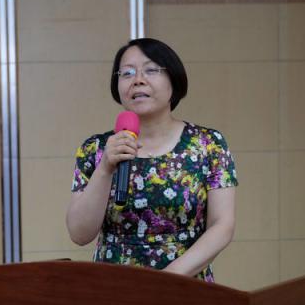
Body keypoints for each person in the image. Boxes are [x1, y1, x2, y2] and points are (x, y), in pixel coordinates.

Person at [66, 38, 238, 282]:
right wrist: (105, 168)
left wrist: (166, 281)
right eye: (127, 73)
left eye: (151, 70)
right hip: (113, 289)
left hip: (186, 287)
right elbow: (79, 234)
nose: (138, 79)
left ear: (173, 80)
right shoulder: (95, 149)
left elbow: (222, 225)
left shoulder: (208, 144)